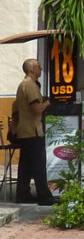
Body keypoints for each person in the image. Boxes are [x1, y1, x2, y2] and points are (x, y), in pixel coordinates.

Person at [12, 59, 54, 205]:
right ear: (31, 70)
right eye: (38, 67)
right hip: (33, 131)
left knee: (26, 166)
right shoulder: (30, 86)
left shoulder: (22, 85)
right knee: (38, 165)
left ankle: (23, 194)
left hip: (24, 131)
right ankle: (44, 196)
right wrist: (47, 102)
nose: (40, 69)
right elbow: (36, 109)